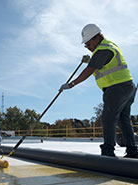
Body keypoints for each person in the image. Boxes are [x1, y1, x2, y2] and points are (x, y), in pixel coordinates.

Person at [59, 23, 138, 158]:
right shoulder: (108, 46)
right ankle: (132, 151)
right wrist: (93, 59)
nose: (88, 48)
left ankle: (108, 151)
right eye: (86, 46)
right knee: (123, 119)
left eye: (88, 45)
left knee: (108, 118)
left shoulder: (102, 49)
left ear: (96, 38)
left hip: (116, 88)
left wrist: (71, 84)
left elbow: (89, 70)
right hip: (128, 87)